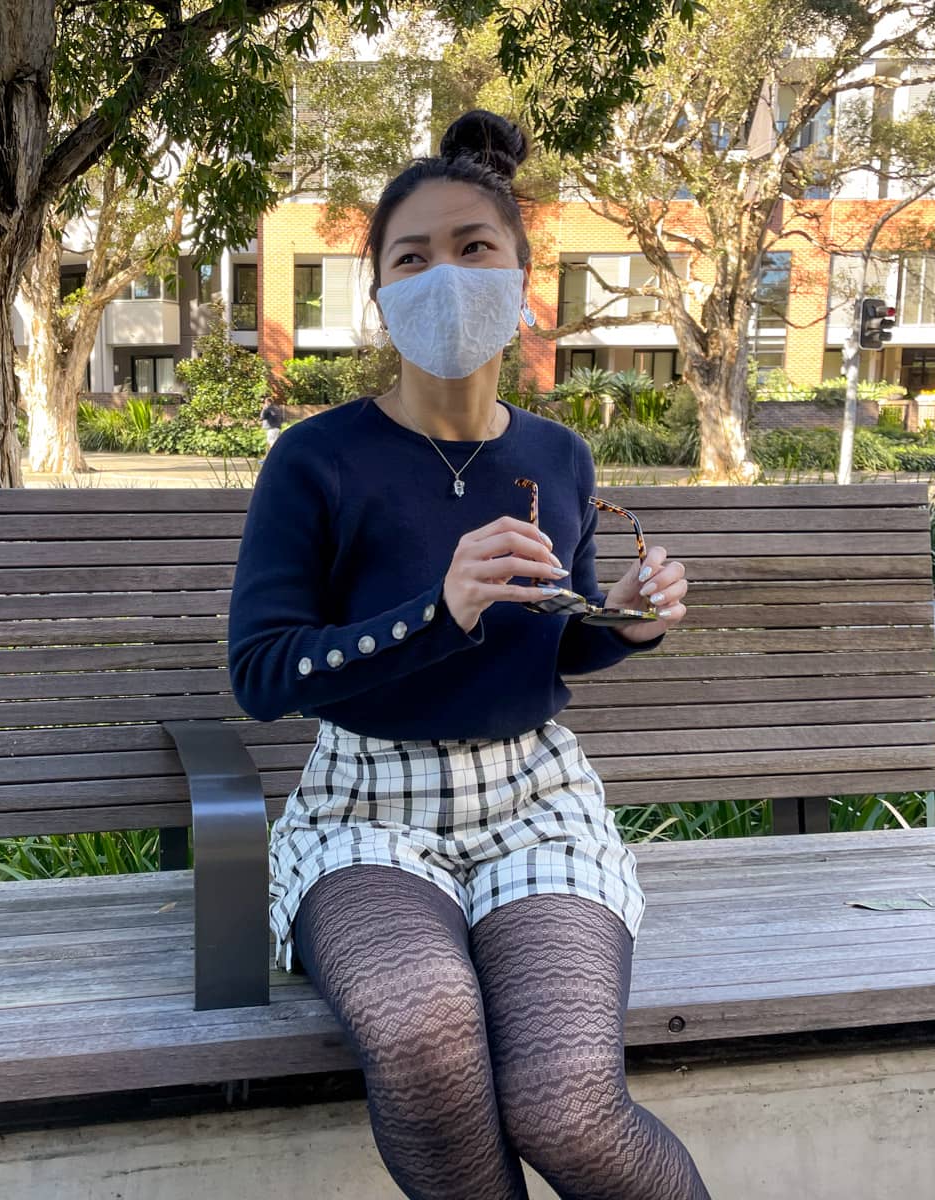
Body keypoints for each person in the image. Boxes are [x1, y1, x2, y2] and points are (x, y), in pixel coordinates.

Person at [228, 110, 709, 1200]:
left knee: (564, 1102)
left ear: (522, 278)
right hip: (364, 809)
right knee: (424, 1030)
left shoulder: (555, 454)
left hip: (535, 798)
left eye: (472, 248)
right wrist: (433, 612)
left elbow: (548, 648)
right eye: (412, 257)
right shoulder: (316, 459)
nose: (443, 274)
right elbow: (262, 675)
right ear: (381, 293)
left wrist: (621, 621)